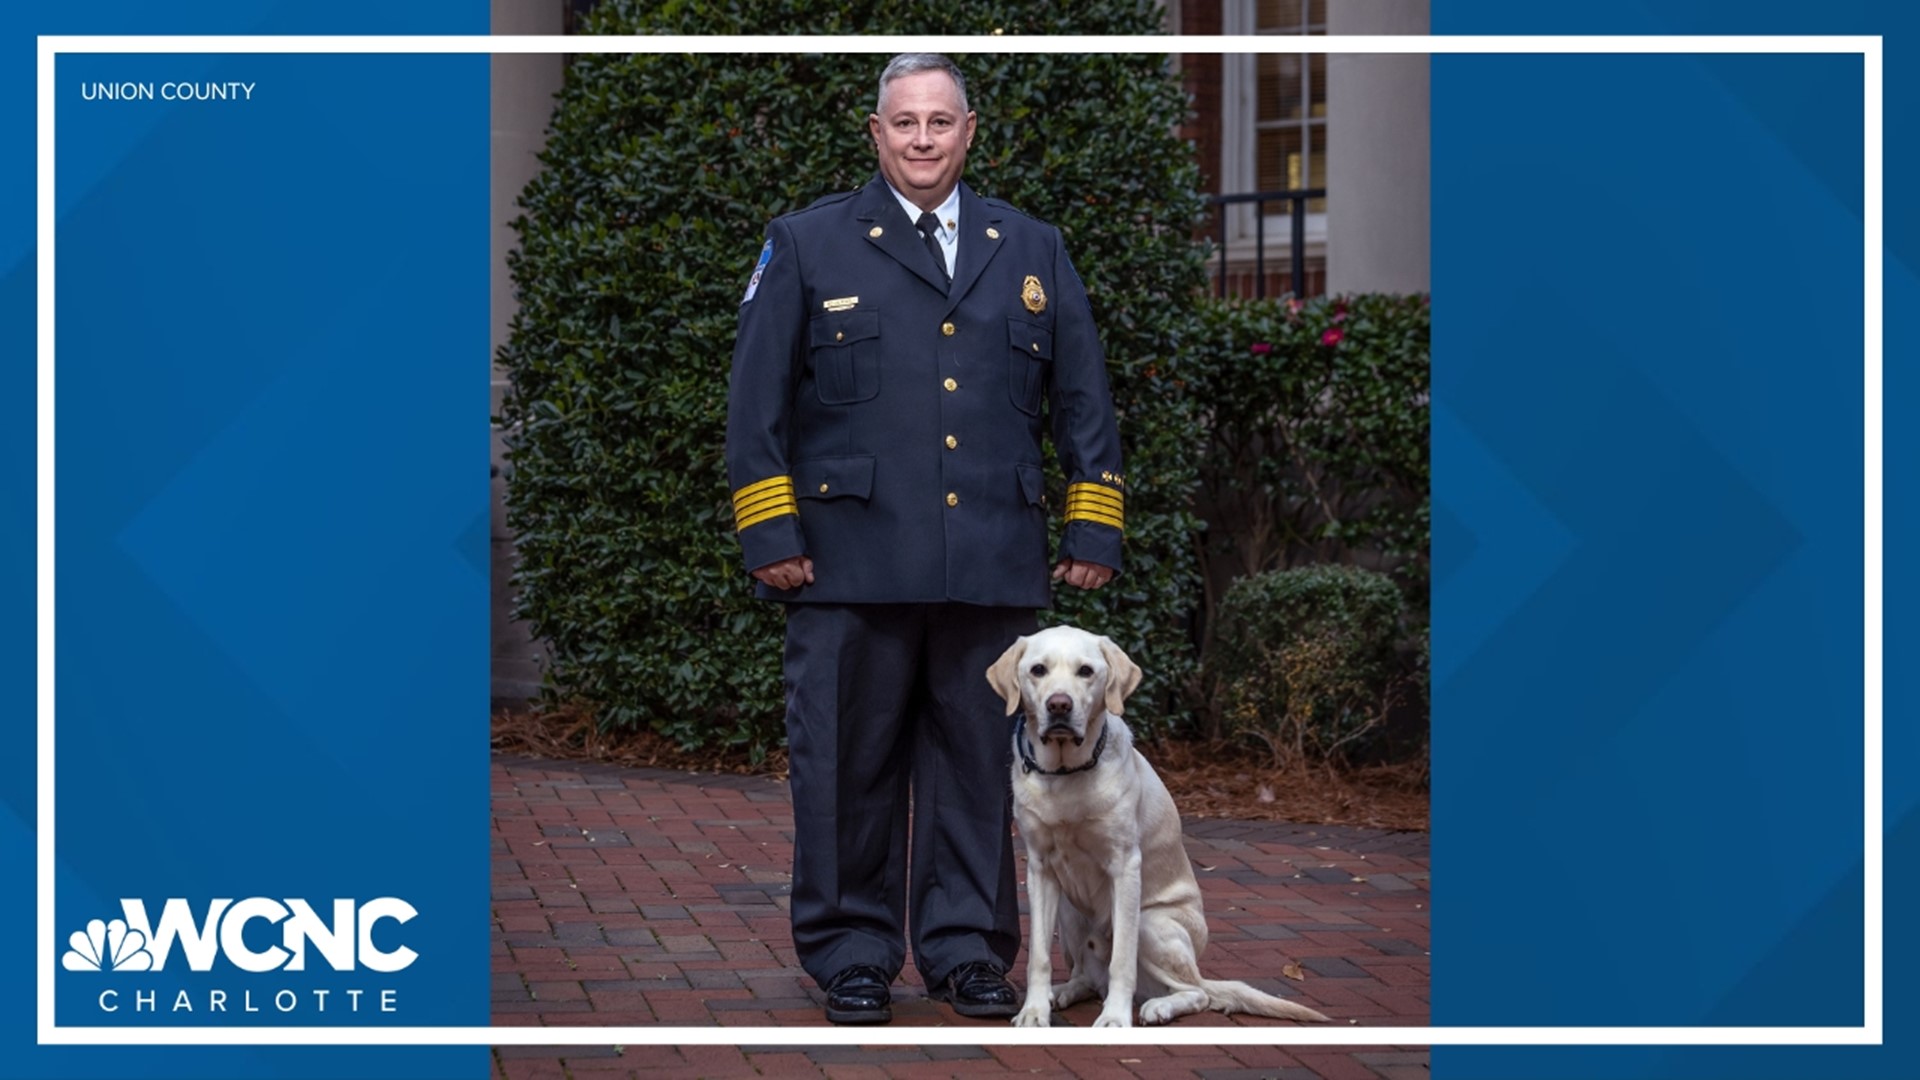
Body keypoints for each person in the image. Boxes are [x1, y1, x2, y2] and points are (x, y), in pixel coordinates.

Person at [725, 53, 1126, 1025]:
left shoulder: (1030, 248)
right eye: (903, 122)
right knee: (843, 772)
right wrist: (770, 527)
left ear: (969, 129)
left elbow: (1082, 396)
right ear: (876, 133)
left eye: (939, 122)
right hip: (846, 560)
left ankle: (967, 953)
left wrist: (1092, 525)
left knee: (974, 774)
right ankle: (852, 956)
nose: (921, 139)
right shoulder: (809, 244)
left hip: (988, 563)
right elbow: (756, 402)